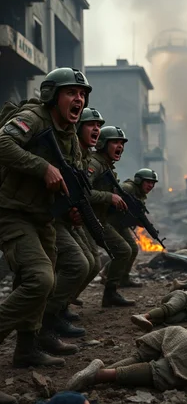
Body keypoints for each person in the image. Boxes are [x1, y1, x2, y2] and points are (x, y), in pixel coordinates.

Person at [0, 67, 91, 367]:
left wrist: (73, 210)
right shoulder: (35, 118)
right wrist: (42, 167)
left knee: (41, 282)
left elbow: (68, 184)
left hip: (43, 218)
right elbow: (2, 143)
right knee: (40, 278)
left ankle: (27, 348)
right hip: (12, 211)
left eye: (82, 94)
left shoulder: (71, 138)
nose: (78, 99)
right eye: (71, 93)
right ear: (52, 95)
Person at [66, 324, 187, 392]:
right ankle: (100, 376)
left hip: (180, 332)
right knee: (159, 371)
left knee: (139, 356)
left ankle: (97, 368)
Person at [62, 107, 105, 320]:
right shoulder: (70, 152)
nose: (96, 129)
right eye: (91, 125)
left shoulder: (84, 156)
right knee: (78, 264)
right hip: (49, 217)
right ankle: (51, 316)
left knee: (91, 263)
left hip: (68, 217)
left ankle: (59, 309)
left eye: (99, 126)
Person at [87, 126, 136, 307]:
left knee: (124, 250)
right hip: (86, 220)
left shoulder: (106, 166)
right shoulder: (95, 164)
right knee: (86, 264)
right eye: (115, 142)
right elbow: (82, 193)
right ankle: (59, 305)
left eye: (122, 143)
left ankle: (110, 294)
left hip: (99, 219)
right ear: (102, 144)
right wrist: (109, 197)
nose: (120, 146)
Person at [102, 168, 159, 288]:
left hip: (121, 224)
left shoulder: (140, 194)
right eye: (147, 182)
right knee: (123, 251)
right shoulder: (128, 188)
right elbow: (114, 194)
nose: (151, 185)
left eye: (152, 183)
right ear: (139, 180)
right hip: (108, 222)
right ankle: (108, 276)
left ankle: (124, 278)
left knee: (133, 248)